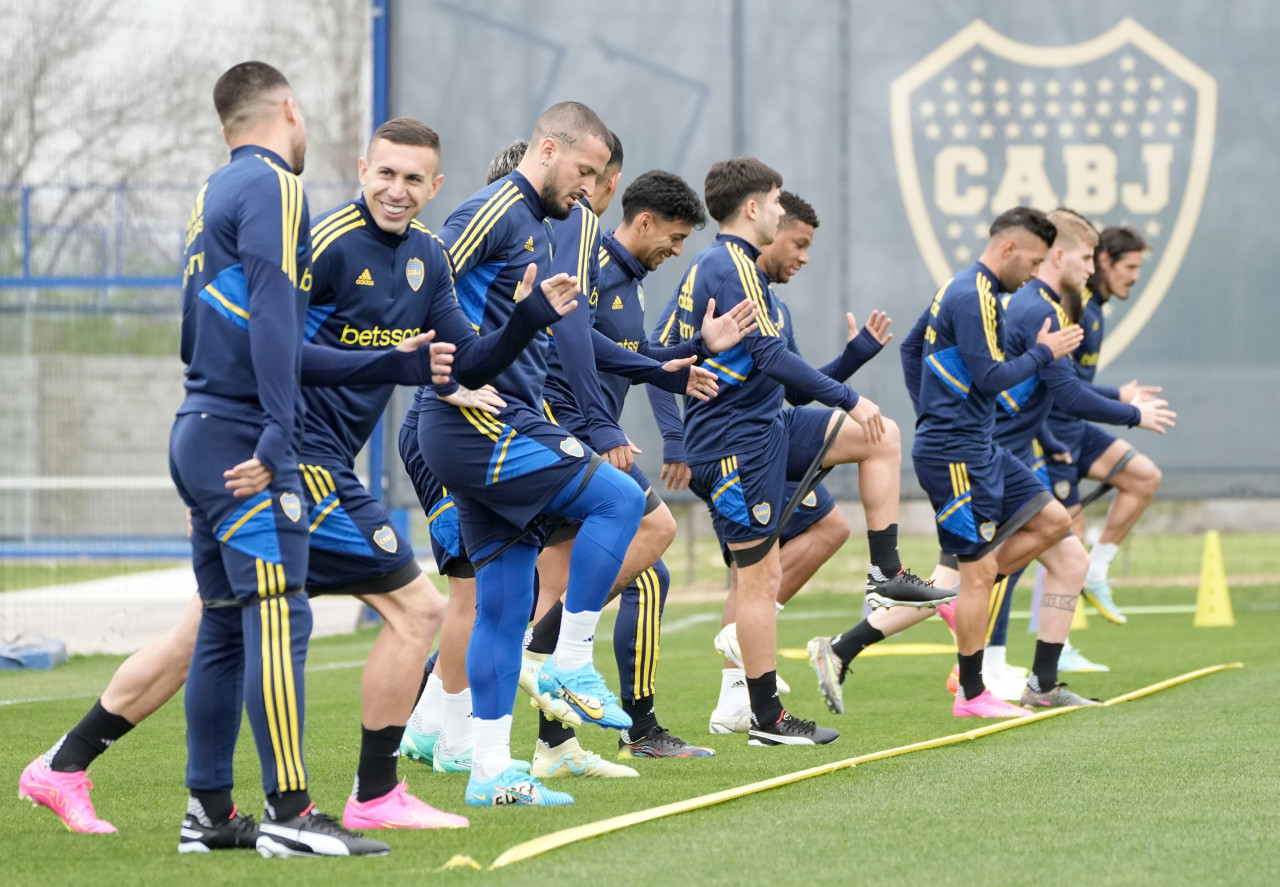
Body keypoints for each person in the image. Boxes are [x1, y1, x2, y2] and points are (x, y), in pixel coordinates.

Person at [16, 110, 575, 839]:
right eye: (384, 173)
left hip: (306, 464)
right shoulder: (326, 245)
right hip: (290, 461)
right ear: (363, 171)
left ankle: (64, 764)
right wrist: (384, 365)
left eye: (413, 178)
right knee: (417, 608)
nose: (397, 190)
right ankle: (365, 792)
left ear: (435, 185)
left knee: (206, 631)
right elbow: (273, 351)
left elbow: (459, 363)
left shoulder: (430, 260)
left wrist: (525, 320)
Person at [413, 102, 718, 806]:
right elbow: (427, 285)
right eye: (584, 172)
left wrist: (659, 369)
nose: (590, 188)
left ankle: (492, 768)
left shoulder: (558, 229)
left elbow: (567, 331)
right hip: (478, 425)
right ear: (548, 149)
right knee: (621, 501)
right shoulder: (494, 210)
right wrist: (447, 379)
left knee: (505, 601)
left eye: (598, 177)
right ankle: (569, 663)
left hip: (509, 420)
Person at [162, 61, 389, 857]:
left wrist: (391, 360)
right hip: (242, 440)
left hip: (199, 427)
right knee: (277, 615)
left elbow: (239, 332)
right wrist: (274, 434)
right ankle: (290, 813)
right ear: (288, 109)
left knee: (226, 623)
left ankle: (211, 814)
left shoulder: (212, 193)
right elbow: (268, 314)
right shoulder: (276, 185)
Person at [658, 158, 947, 747]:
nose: (803, 249)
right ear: (755, 209)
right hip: (734, 445)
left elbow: (782, 379)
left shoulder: (746, 277)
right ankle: (764, 717)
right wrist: (848, 395)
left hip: (769, 426)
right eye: (776, 202)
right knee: (758, 581)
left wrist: (853, 368)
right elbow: (678, 353)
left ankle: (885, 573)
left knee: (880, 435)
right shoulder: (725, 263)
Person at [528, 167, 736, 768]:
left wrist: (691, 349)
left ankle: (556, 742)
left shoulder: (632, 278)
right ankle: (542, 660)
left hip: (584, 429)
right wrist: (602, 427)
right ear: (642, 220)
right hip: (563, 428)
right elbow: (576, 345)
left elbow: (630, 354)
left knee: (611, 579)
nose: (677, 250)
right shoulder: (590, 261)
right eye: (673, 237)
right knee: (655, 534)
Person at [898, 205, 1091, 718]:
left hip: (979, 447)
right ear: (1008, 249)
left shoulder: (964, 288)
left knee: (1051, 524)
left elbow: (911, 348)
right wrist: (1045, 353)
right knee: (978, 573)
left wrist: (931, 411)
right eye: (1031, 263)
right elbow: (991, 379)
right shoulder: (973, 294)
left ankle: (965, 636)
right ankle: (973, 692)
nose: (1033, 275)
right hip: (959, 453)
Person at [1045, 226, 1165, 646]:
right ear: (1104, 262)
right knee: (1064, 552)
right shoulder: (1072, 307)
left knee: (1144, 477)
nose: (1135, 277)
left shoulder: (1093, 308)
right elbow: (1062, 388)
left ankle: (1099, 571)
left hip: (1076, 429)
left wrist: (1119, 395)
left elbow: (1073, 384)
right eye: (1129, 267)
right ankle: (1053, 655)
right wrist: (1124, 403)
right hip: (1053, 438)